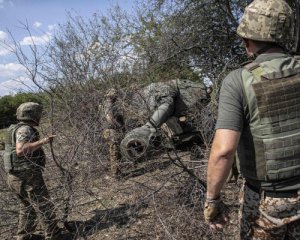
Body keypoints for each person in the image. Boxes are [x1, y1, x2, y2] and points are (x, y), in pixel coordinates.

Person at [204, 0, 300, 239]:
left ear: (247, 40)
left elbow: (224, 151)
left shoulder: (238, 81)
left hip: (268, 201)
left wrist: (212, 199)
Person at [3, 102, 63, 240]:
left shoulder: (14, 128)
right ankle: (54, 235)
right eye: (38, 114)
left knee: (27, 207)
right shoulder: (25, 129)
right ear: (32, 114)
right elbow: (21, 150)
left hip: (15, 176)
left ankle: (24, 236)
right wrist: (44, 141)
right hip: (27, 175)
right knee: (43, 205)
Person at [120, 79, 209, 161]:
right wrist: (149, 127)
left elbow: (167, 105)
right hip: (171, 114)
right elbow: (167, 105)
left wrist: (149, 127)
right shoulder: (152, 95)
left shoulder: (164, 91)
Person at [102, 88, 125, 178]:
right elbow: (109, 118)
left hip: (111, 130)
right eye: (114, 94)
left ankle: (117, 172)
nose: (115, 96)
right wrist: (119, 126)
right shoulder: (108, 103)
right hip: (111, 130)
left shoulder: (111, 103)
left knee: (116, 151)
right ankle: (115, 174)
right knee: (114, 152)